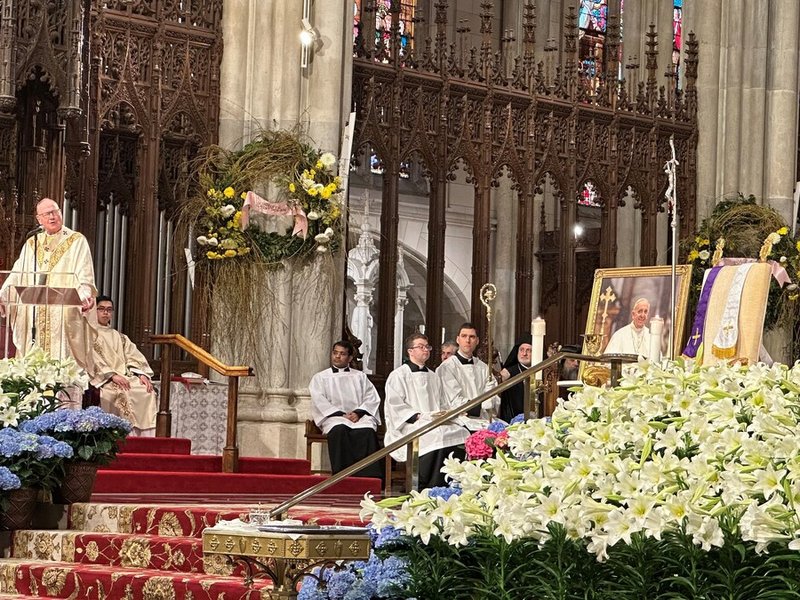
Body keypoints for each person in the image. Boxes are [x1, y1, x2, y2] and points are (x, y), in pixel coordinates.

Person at [0, 198, 96, 367]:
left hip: (62, 315)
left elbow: (84, 275)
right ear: (39, 219)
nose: (52, 217)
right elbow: (17, 274)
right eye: (47, 214)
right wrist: (3, 294)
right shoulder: (32, 242)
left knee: (62, 365)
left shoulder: (76, 241)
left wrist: (84, 294)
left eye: (55, 211)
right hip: (34, 315)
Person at [383, 333, 468, 489]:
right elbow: (394, 405)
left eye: (427, 346)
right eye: (421, 347)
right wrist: (417, 416)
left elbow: (442, 402)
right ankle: (424, 483)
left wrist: (445, 414)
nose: (426, 350)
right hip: (410, 424)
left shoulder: (434, 376)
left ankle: (450, 482)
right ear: (410, 351)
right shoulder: (398, 375)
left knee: (460, 432)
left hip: (434, 420)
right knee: (436, 434)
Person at [309, 340, 383, 479]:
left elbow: (371, 397)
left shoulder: (359, 376)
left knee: (367, 432)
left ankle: (369, 478)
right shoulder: (320, 377)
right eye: (335, 353)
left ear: (349, 358)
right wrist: (341, 414)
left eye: (342, 354)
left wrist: (358, 412)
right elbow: (319, 400)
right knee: (339, 430)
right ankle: (342, 477)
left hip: (358, 417)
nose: (337, 356)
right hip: (334, 417)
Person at [89, 296, 158, 436]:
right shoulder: (89, 334)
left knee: (146, 390)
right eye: (101, 309)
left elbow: (133, 355)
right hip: (106, 379)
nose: (105, 313)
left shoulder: (120, 337)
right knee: (117, 393)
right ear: (93, 311)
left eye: (109, 310)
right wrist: (112, 375)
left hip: (125, 376)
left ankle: (145, 438)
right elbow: (91, 359)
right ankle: (120, 435)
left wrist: (142, 374)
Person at [436, 322, 498, 427]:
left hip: (483, 418)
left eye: (472, 337)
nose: (468, 340)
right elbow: (453, 399)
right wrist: (481, 406)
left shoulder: (483, 367)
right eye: (464, 336)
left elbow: (492, 392)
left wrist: (488, 402)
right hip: (459, 419)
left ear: (477, 341)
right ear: (458, 339)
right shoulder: (447, 367)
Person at [498, 334, 533, 422]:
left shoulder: (545, 372)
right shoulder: (508, 372)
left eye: (529, 351)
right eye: (521, 350)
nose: (524, 354)